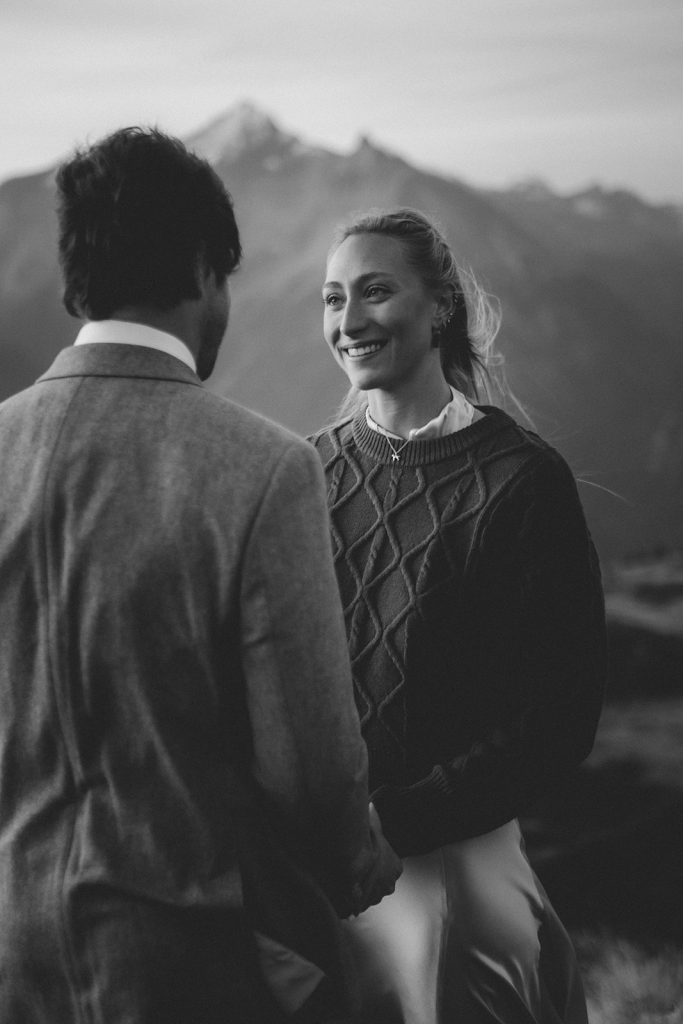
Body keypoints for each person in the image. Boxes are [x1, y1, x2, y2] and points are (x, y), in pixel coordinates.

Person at [0, 128, 400, 1024]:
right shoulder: (263, 468)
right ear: (201, 270)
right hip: (198, 967)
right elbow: (306, 766)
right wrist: (358, 863)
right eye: (226, 278)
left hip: (15, 954)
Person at [310, 207, 607, 1024]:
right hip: (316, 880)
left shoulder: (520, 482)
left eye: (374, 292)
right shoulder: (305, 473)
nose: (348, 321)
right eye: (332, 298)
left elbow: (558, 719)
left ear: (441, 307)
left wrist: (395, 820)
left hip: (454, 888)